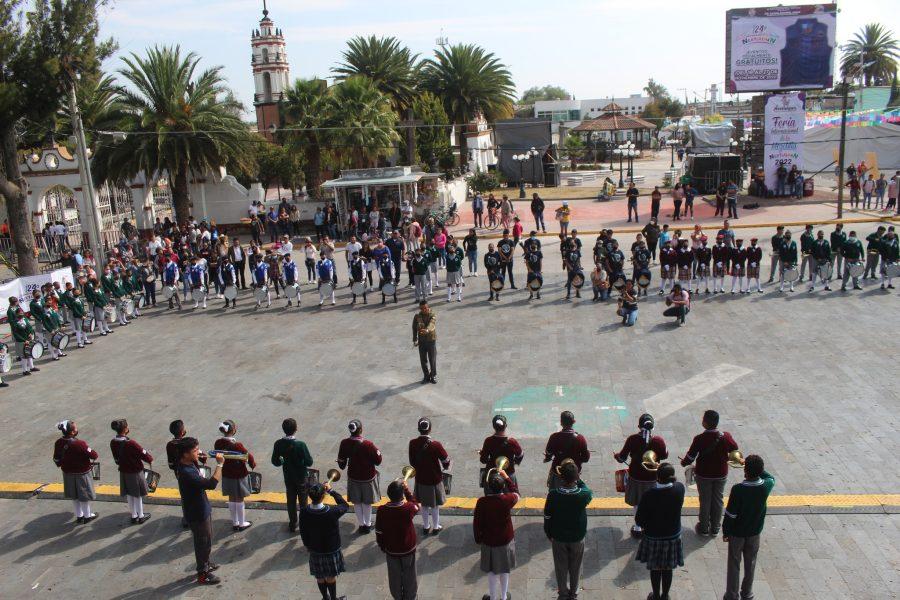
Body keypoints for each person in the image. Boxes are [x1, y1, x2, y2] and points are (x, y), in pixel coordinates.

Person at [722, 455, 775, 600]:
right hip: (754, 533)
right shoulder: (766, 486)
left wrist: (726, 531)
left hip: (737, 533)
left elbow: (731, 514)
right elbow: (771, 477)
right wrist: (758, 469)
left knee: (734, 563)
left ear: (745, 471)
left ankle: (732, 595)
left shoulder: (738, 489)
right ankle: (747, 593)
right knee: (750, 563)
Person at [680, 409, 739, 537]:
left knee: (705, 500)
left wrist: (684, 463)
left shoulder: (700, 438)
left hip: (704, 474)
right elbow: (735, 448)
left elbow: (690, 457)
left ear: (705, 423)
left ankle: (704, 528)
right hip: (721, 474)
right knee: (718, 500)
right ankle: (716, 528)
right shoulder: (726, 437)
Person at [175, 437, 225, 585]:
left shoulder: (187, 463)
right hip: (197, 512)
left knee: (207, 539)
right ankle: (203, 573)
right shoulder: (187, 472)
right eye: (195, 450)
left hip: (201, 507)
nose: (199, 452)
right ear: (185, 454)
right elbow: (211, 484)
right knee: (202, 542)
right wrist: (219, 465)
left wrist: (199, 458)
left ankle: (206, 563)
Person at [635, 463, 685, 600]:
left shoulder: (649, 495)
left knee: (655, 569)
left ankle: (655, 595)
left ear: (657, 477)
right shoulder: (680, 489)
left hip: (653, 537)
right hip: (672, 536)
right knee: (668, 569)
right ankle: (665, 595)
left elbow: (639, 520)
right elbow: (678, 483)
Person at [544, 459, 592, 600]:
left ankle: (563, 594)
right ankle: (574, 593)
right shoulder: (583, 494)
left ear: (561, 477)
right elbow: (588, 490)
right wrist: (579, 478)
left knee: (560, 567)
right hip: (577, 536)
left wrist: (549, 533)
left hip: (558, 536)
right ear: (576, 477)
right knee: (575, 567)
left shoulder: (553, 495)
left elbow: (547, 516)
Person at [615, 413, 667, 536]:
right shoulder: (658, 441)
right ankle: (650, 526)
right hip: (653, 477)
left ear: (639, 426)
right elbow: (665, 455)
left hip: (636, 476)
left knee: (638, 503)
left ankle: (638, 527)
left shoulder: (632, 439)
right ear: (652, 427)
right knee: (651, 502)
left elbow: (622, 458)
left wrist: (617, 456)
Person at [474, 468, 519, 600]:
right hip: (505, 539)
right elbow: (516, 493)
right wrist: (507, 478)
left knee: (492, 571)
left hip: (489, 540)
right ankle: (504, 597)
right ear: (502, 486)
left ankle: (493, 597)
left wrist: (478, 539)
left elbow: (477, 523)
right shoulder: (508, 499)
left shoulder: (482, 502)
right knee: (505, 569)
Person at [299, 482, 350, 600]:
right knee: (331, 576)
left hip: (315, 549)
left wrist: (307, 545)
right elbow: (345, 505)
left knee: (320, 576)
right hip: (331, 549)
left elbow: (303, 531)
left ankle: (325, 598)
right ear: (323, 496)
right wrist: (332, 491)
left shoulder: (304, 511)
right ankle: (333, 598)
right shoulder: (332, 511)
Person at [375, 478, 421, 600]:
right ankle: (410, 597)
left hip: (391, 549)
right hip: (408, 549)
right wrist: (407, 490)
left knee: (394, 576)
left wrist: (382, 546)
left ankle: (397, 597)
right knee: (410, 575)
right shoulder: (408, 508)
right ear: (401, 495)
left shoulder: (382, 510)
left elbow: (379, 531)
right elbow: (416, 505)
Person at [338, 419, 383, 534]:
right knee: (367, 502)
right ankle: (368, 524)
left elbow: (341, 463)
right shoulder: (368, 444)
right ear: (361, 430)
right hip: (367, 477)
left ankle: (361, 524)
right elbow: (378, 461)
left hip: (353, 476)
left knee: (357, 502)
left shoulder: (344, 443)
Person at [408, 417, 450, 535]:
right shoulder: (436, 445)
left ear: (418, 429)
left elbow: (412, 462)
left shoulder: (413, 443)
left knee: (424, 504)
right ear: (430, 429)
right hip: (434, 479)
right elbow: (446, 460)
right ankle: (436, 526)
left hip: (421, 478)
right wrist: (446, 466)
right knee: (435, 505)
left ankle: (426, 526)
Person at [271, 418, 314, 533]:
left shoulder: (278, 444)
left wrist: (282, 461)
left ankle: (293, 523)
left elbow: (275, 461)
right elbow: (309, 462)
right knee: (303, 501)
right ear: (296, 429)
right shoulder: (300, 445)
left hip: (288, 477)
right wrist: (302, 463)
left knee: (291, 500)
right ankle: (304, 523)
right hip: (301, 477)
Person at [54, 420, 99, 524]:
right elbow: (94, 455)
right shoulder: (80, 443)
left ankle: (79, 516)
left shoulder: (58, 442)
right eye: (75, 428)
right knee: (84, 496)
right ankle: (87, 516)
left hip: (67, 473)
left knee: (74, 495)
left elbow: (56, 458)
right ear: (72, 432)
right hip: (82, 474)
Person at [214, 419, 256, 531]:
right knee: (240, 499)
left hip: (227, 474)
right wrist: (253, 464)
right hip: (239, 475)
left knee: (232, 498)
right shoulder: (237, 445)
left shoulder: (218, 443)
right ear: (233, 430)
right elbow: (249, 457)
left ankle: (235, 522)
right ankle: (242, 523)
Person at [109, 418, 153, 524]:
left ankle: (133, 515)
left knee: (129, 494)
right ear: (125, 429)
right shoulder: (131, 443)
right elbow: (145, 455)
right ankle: (141, 515)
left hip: (124, 471)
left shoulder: (113, 442)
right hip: (135, 472)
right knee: (137, 494)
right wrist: (149, 459)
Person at [544, 411, 590, 489]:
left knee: (555, 493)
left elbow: (548, 453)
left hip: (558, 471)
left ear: (561, 423)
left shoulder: (554, 437)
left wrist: (547, 458)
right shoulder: (580, 438)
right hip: (574, 473)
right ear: (574, 422)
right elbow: (586, 458)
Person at [479, 415, 524, 489]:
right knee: (512, 494)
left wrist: (482, 454)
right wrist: (513, 463)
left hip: (492, 475)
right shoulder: (512, 442)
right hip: (508, 473)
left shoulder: (488, 441)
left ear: (493, 426)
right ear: (506, 426)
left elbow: (483, 460)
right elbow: (520, 455)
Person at [412, 300, 437, 384]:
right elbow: (414, 328)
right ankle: (426, 376)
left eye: (425, 308)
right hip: (422, 341)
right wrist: (415, 339)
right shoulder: (417, 316)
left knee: (432, 359)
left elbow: (432, 324)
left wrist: (427, 330)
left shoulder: (432, 315)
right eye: (422, 308)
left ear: (428, 307)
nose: (424, 310)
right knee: (423, 360)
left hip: (431, 340)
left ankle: (433, 375)